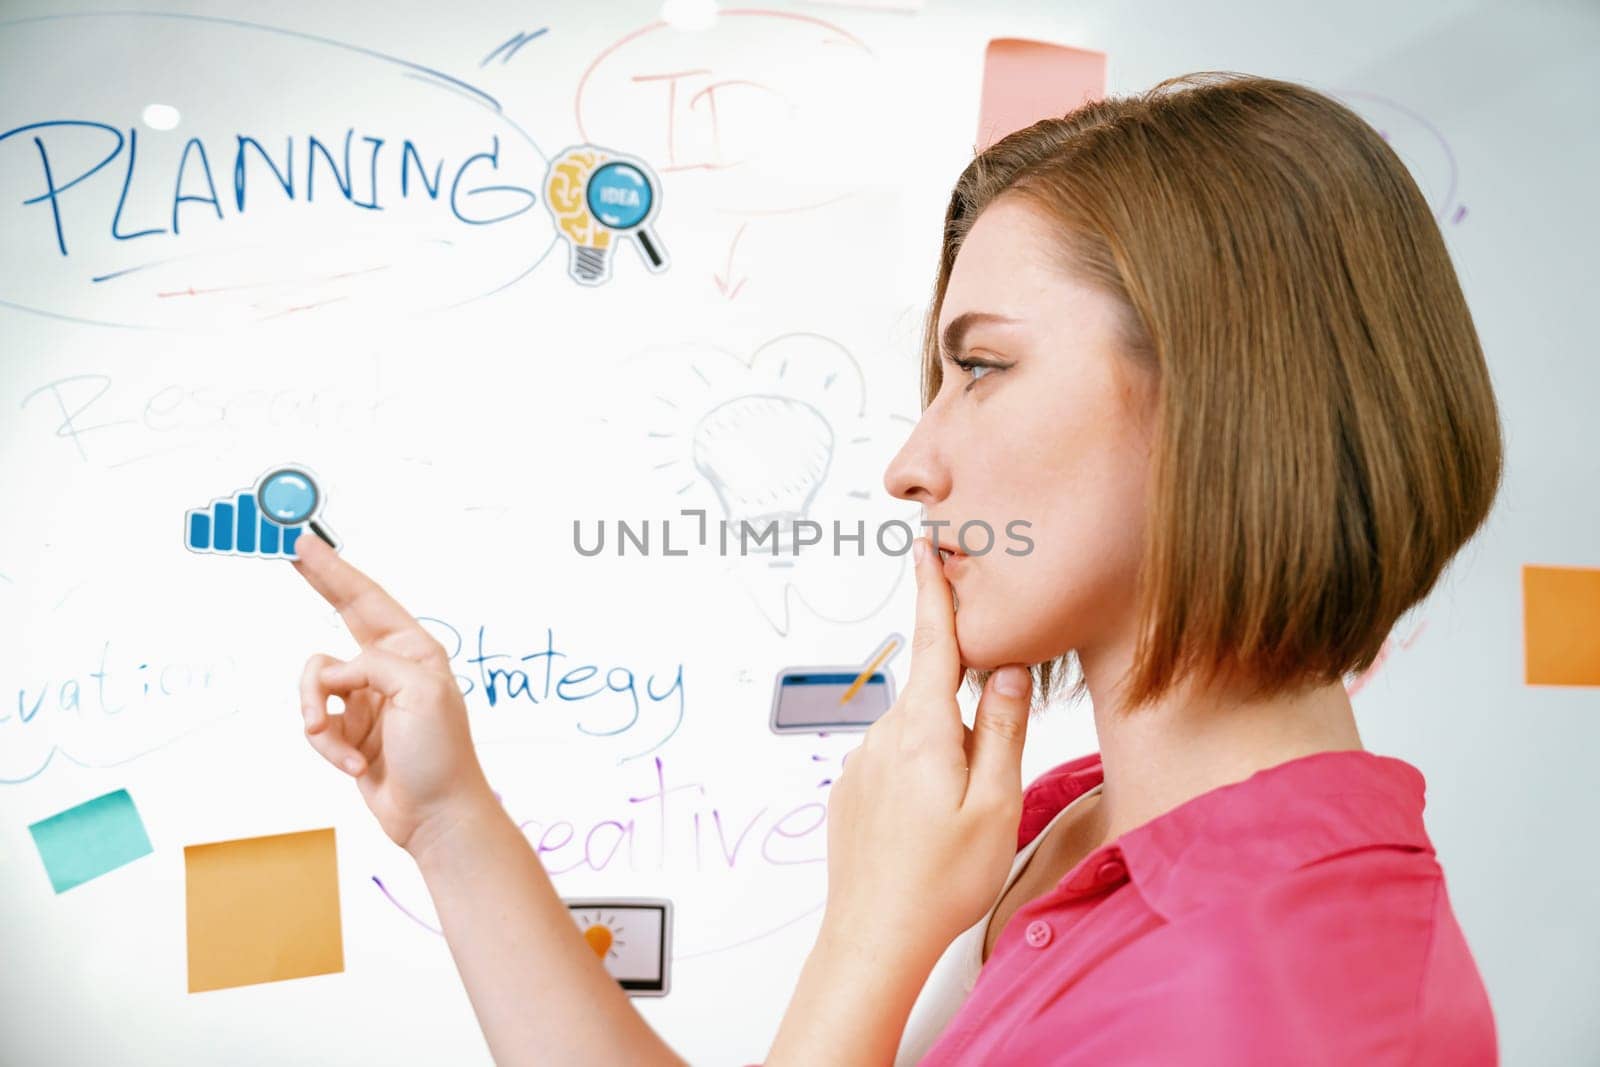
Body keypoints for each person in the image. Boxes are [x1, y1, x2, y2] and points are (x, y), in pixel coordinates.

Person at [292, 70, 1502, 1065]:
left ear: (1222, 395)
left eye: (981, 368)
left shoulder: (1287, 1003)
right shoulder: (1073, 821)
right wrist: (454, 822)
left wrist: (868, 942)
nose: (910, 466)